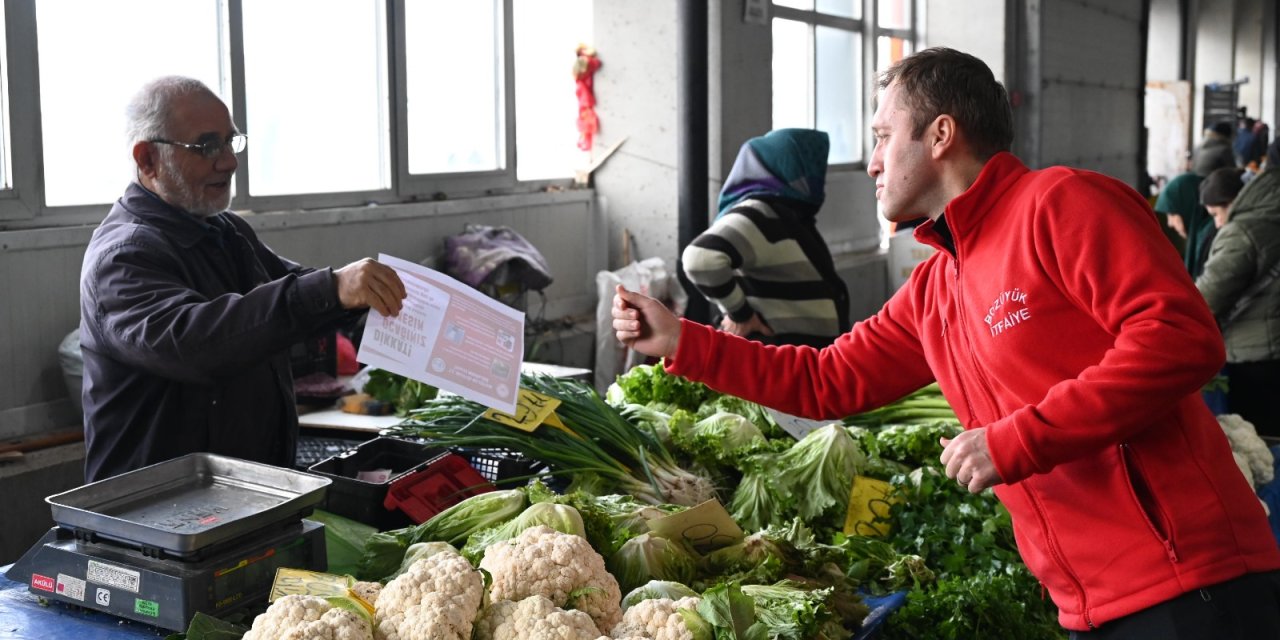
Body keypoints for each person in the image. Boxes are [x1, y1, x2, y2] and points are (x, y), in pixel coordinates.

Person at [613, 48, 1280, 638]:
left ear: (940, 134)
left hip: (1191, 581)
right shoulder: (937, 284)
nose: (872, 161)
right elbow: (826, 382)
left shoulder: (1061, 205)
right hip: (1085, 602)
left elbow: (1182, 339)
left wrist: (1014, 440)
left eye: (881, 136)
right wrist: (681, 340)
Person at [79, 76, 407, 482]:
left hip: (235, 498)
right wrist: (333, 288)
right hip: (154, 515)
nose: (229, 162)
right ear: (148, 160)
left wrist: (388, 309)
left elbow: (300, 294)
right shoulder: (124, 256)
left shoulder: (223, 231)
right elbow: (198, 344)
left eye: (230, 142)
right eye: (206, 146)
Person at [681, 128, 850, 347]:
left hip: (804, 363)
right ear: (788, 166)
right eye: (810, 167)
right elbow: (701, 258)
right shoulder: (758, 212)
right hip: (779, 361)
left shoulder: (788, 214)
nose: (817, 178)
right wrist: (740, 314)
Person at [1196, 162, 1280, 438]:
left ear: (1234, 201)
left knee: (1261, 438)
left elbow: (1206, 298)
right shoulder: (1271, 213)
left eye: (1218, 213)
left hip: (1255, 353)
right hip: (1270, 342)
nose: (1218, 223)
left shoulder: (1242, 232)